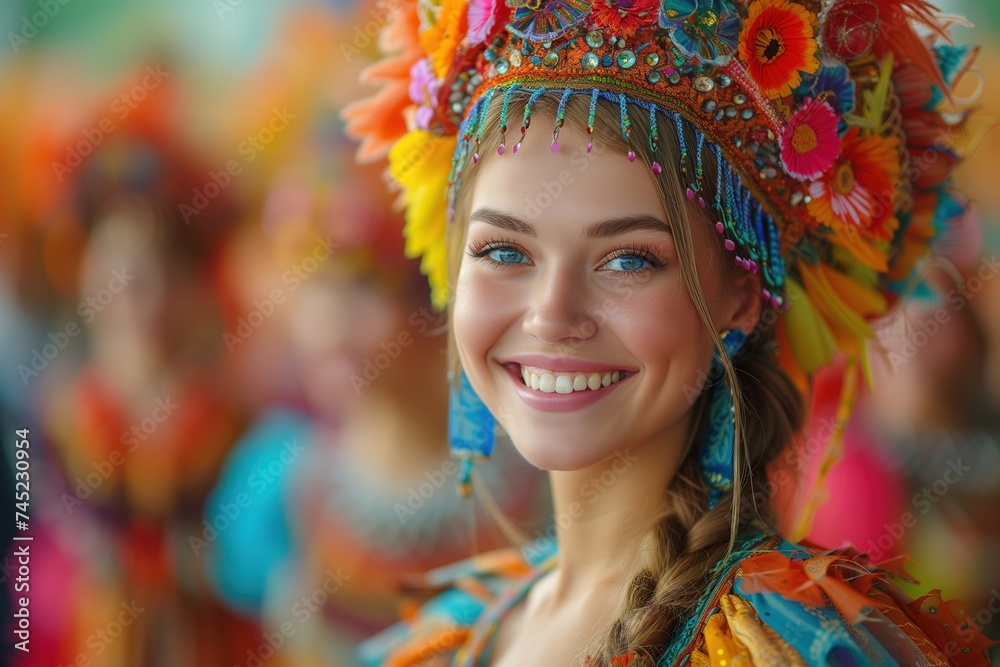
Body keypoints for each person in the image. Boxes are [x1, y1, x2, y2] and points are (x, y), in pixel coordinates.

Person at [345, 0, 998, 663]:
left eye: (629, 259)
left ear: (741, 299)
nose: (550, 314)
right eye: (504, 251)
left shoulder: (796, 646)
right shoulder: (441, 636)